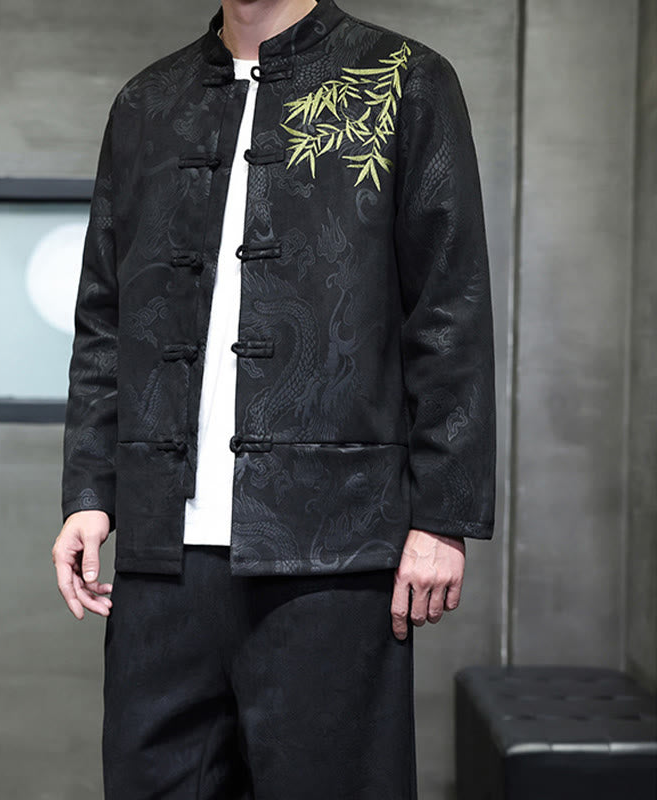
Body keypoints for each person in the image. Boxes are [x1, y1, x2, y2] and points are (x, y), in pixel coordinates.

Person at [52, 0, 496, 796]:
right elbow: (105, 320)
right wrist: (90, 492)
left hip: (332, 551)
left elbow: (449, 309)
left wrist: (442, 517)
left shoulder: (405, 81)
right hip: (161, 557)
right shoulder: (146, 102)